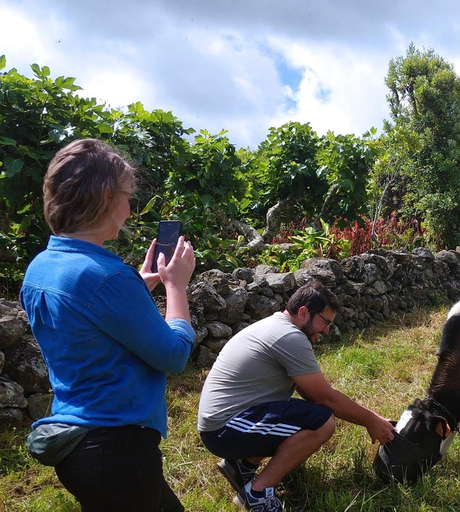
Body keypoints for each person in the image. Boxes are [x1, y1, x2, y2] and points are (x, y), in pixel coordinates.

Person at [19, 138, 197, 512]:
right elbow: (174, 354)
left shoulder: (41, 267)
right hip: (117, 451)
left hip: (77, 445)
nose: (130, 210)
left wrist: (138, 286)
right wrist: (176, 287)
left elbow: (83, 317)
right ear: (105, 197)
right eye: (127, 197)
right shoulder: (108, 278)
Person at [197, 281, 395, 511]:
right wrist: (372, 421)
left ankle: (241, 465)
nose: (326, 330)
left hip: (226, 422)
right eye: (325, 322)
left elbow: (311, 394)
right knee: (321, 423)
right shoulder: (289, 337)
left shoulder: (277, 327)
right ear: (303, 312)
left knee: (308, 415)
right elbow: (324, 398)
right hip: (224, 430)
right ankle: (256, 494)